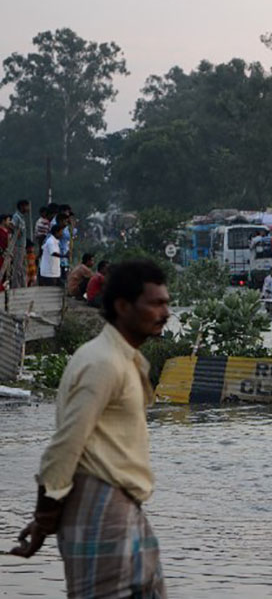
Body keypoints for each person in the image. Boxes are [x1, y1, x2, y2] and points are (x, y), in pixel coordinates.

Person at [8, 260, 170, 598]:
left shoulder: (120, 359)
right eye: (155, 303)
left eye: (166, 303)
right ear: (123, 306)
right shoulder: (103, 363)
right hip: (101, 510)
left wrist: (46, 520)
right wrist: (44, 517)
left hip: (122, 508)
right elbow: (65, 445)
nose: (164, 312)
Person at [10, 199, 29, 288]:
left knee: (22, 268)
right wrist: (16, 231)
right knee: (17, 267)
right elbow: (11, 225)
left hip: (22, 246)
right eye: (26, 206)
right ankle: (16, 286)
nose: (27, 208)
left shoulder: (22, 218)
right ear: (21, 206)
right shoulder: (16, 216)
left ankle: (22, 285)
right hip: (17, 246)